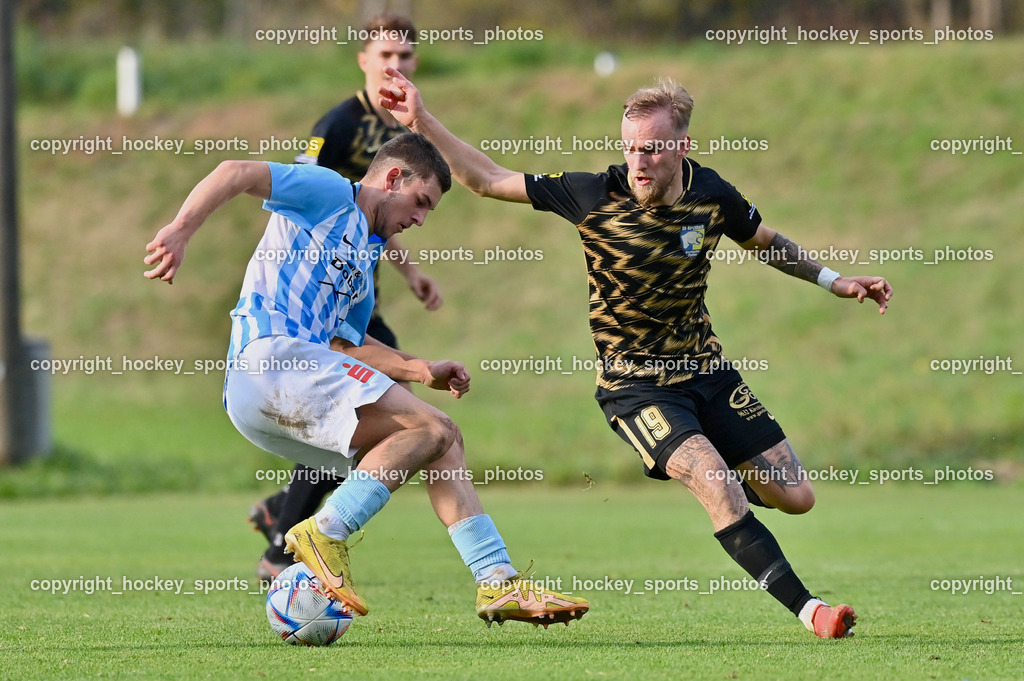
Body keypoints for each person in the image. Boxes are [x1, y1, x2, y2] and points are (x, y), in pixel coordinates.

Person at [377, 68, 894, 638]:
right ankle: (812, 610)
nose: (637, 162)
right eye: (629, 148)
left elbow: (764, 240)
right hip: (635, 385)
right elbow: (487, 178)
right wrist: (420, 120)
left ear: (682, 146)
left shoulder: (712, 194)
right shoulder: (594, 194)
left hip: (708, 372)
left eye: (650, 149)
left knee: (795, 495)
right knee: (716, 486)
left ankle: (722, 478)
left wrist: (832, 279)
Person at [143, 132, 589, 626]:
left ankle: (496, 581)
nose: (419, 220)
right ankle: (324, 532)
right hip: (270, 360)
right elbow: (236, 171)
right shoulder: (331, 192)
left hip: (275, 389)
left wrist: (422, 368)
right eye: (420, 203)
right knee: (432, 428)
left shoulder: (365, 255)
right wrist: (181, 229)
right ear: (393, 178)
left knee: (441, 440)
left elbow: (347, 346)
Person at [249, 13, 443, 582]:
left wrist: (409, 274)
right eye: (386, 56)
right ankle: (284, 542)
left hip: (360, 297)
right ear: (364, 60)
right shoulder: (336, 125)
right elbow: (306, 197)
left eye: (406, 58)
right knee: (375, 408)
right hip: (317, 302)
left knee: (388, 400)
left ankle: (283, 516)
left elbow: (386, 219)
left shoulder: (408, 134)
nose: (396, 66)